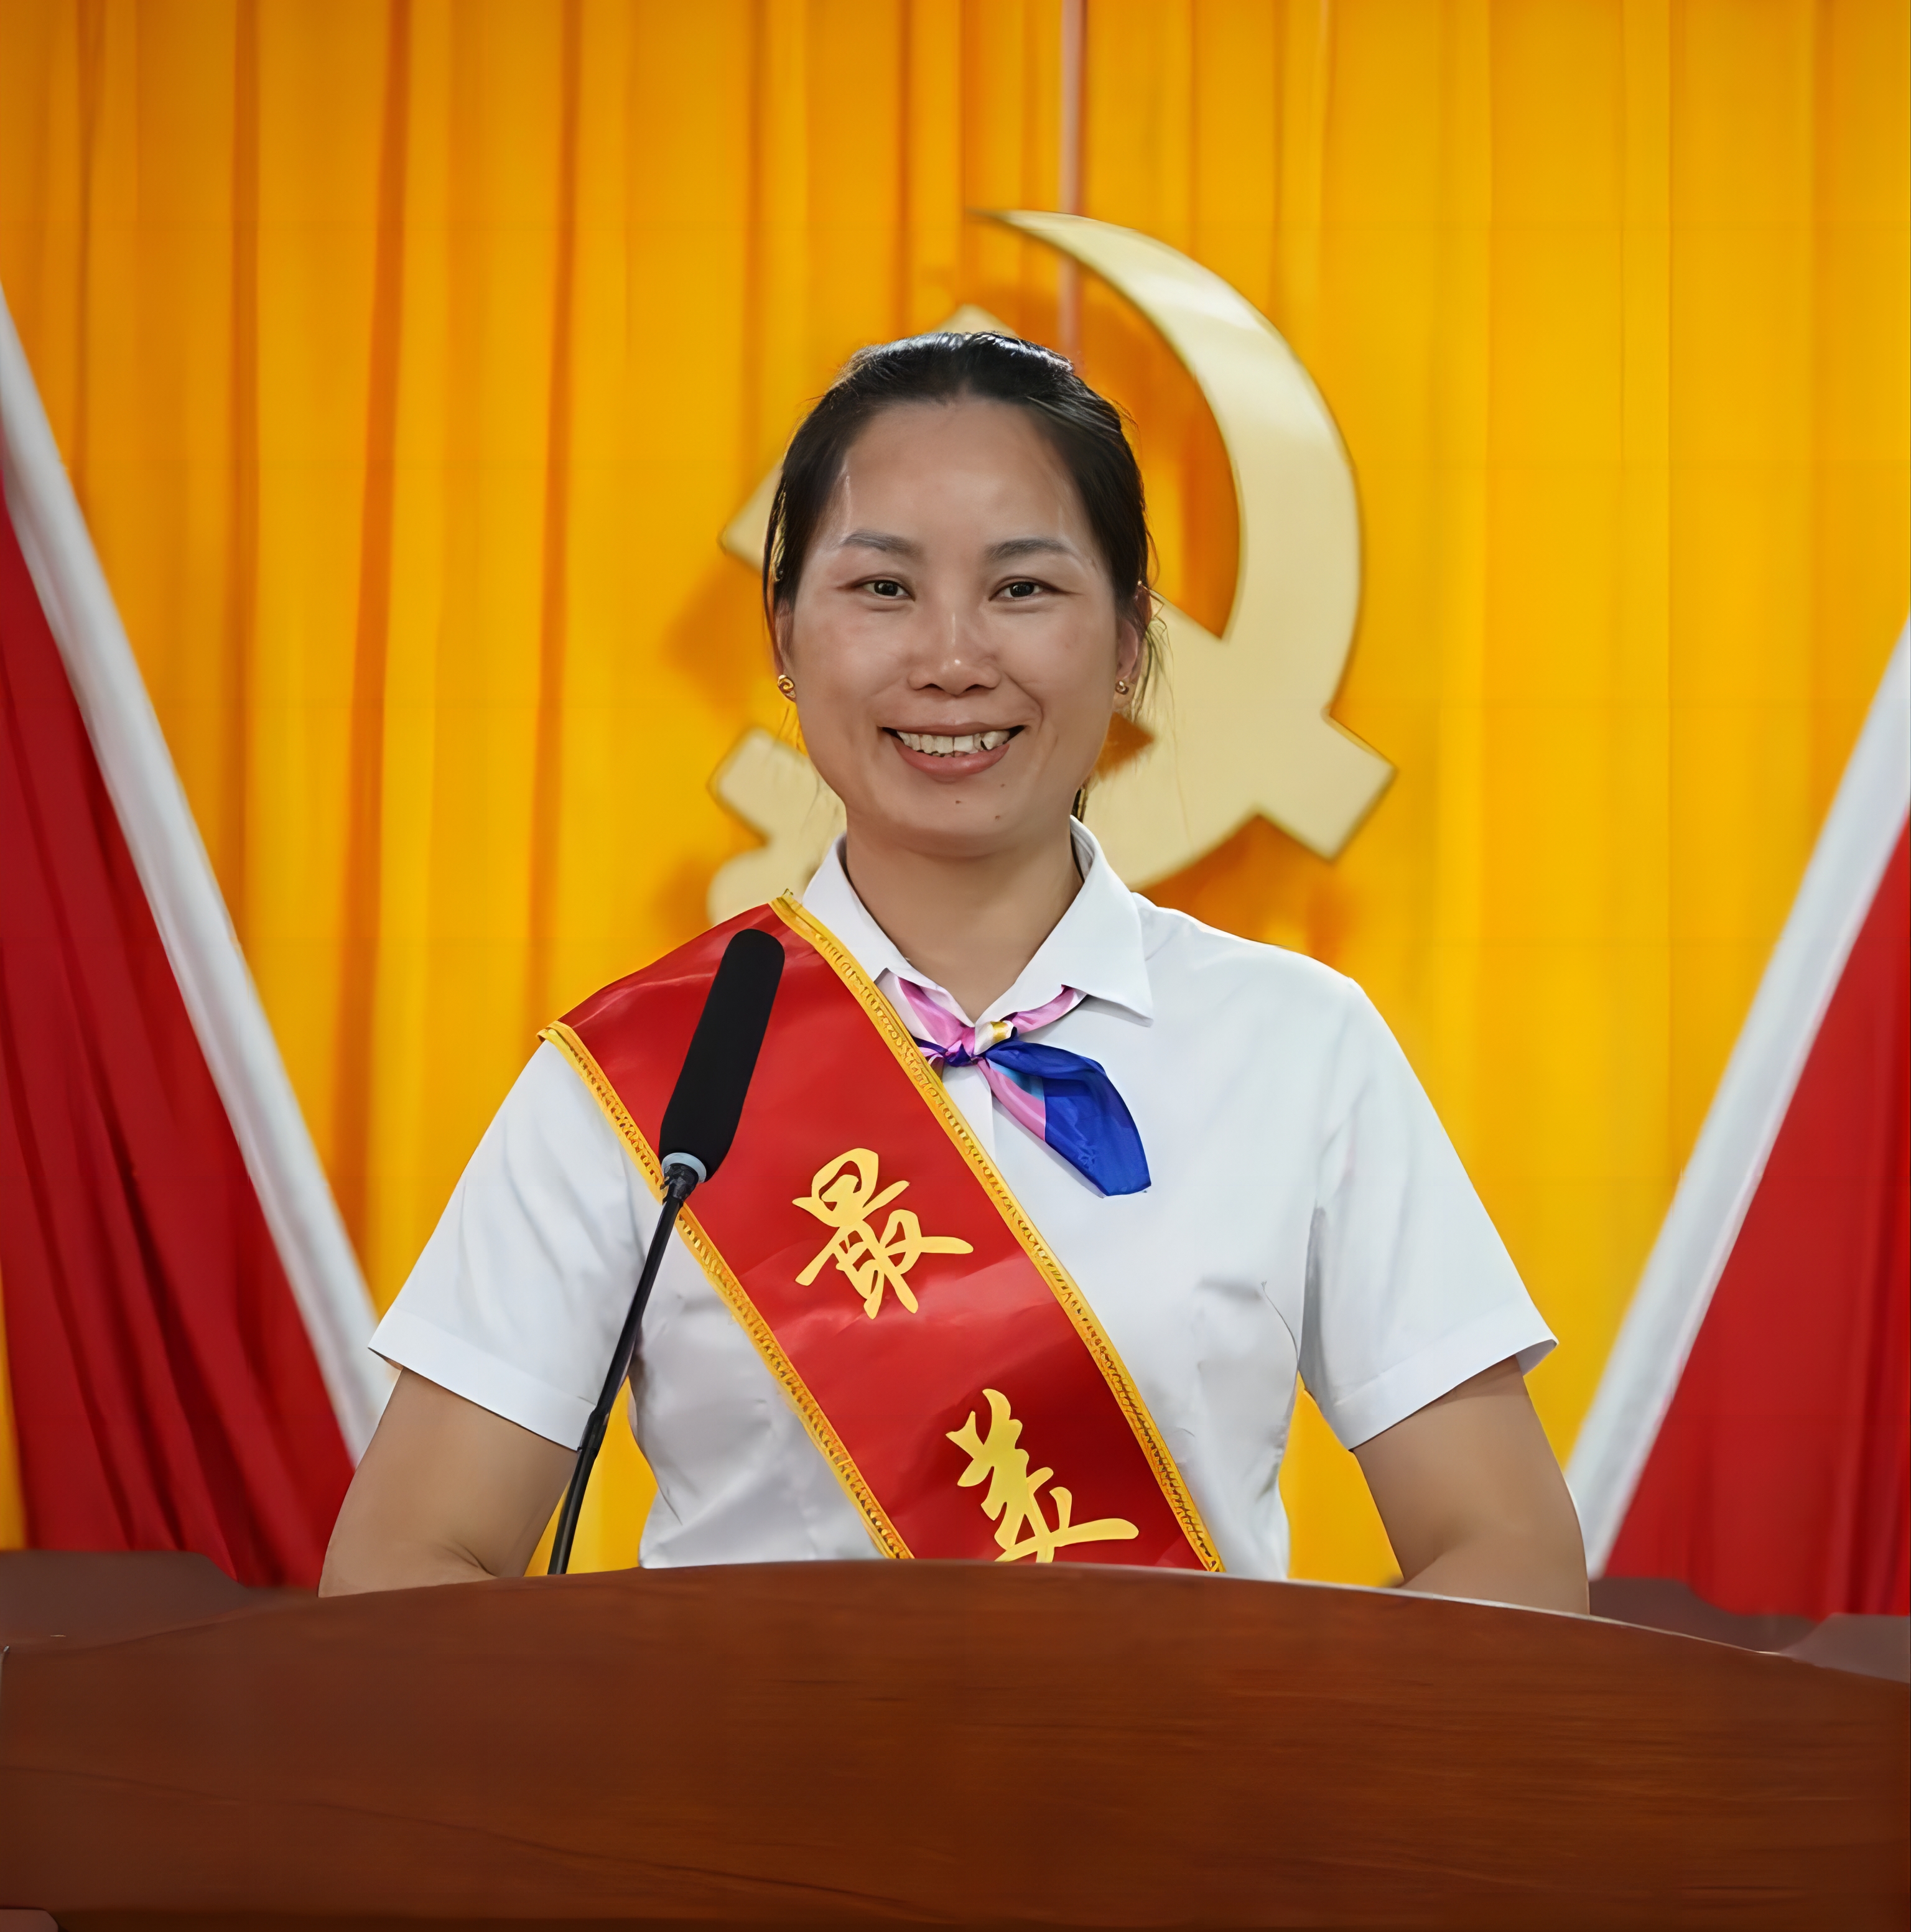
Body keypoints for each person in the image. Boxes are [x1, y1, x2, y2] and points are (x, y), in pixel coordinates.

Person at [320, 332, 1587, 1611]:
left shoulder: (1299, 1043)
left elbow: (1512, 1554)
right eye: (883, 588)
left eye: (1023, 588)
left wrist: (1261, 1733)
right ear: (783, 633)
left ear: (1132, 638)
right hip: (735, 1755)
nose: (952, 658)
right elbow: (398, 1567)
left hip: (1182, 1754)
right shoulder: (650, 1074)